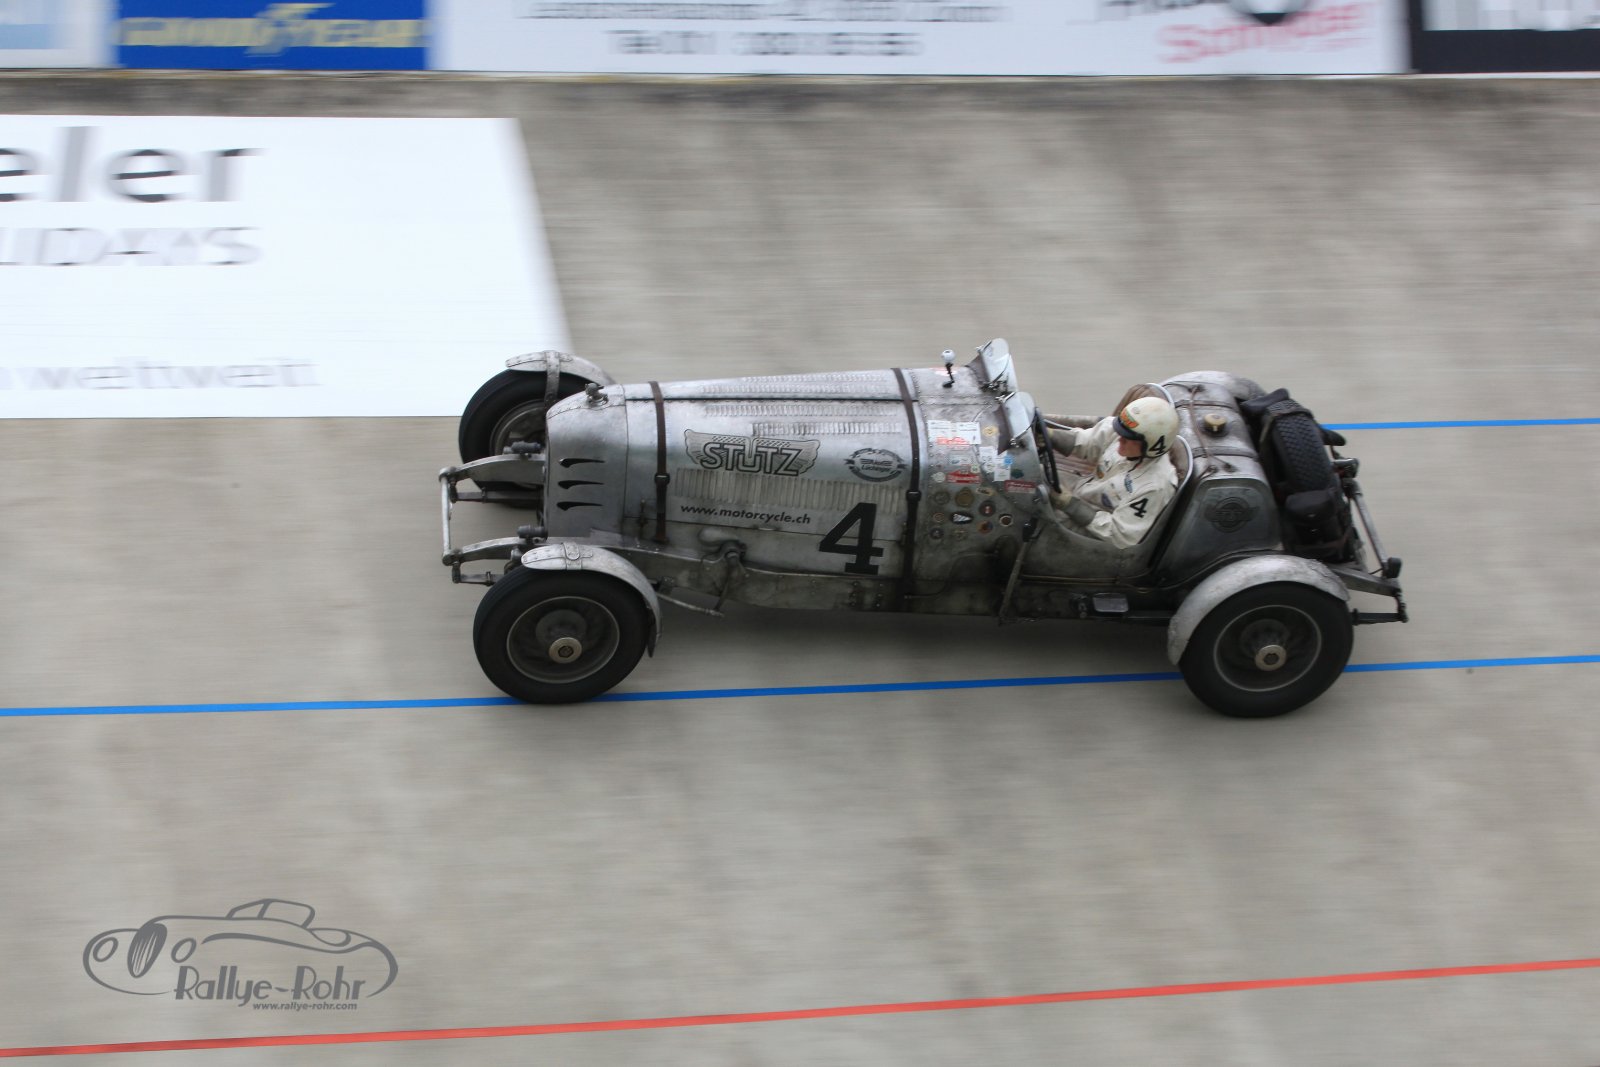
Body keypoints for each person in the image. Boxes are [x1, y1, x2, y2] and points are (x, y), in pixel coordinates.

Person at [1045, 395, 1181, 550]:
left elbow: (1121, 535)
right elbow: (1088, 442)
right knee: (1030, 478)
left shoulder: (1155, 487)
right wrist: (1050, 435)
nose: (1120, 439)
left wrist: (1072, 505)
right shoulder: (1124, 431)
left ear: (1152, 445)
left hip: (1094, 531)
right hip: (1082, 490)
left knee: (1034, 515)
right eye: (1120, 432)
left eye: (1128, 438)